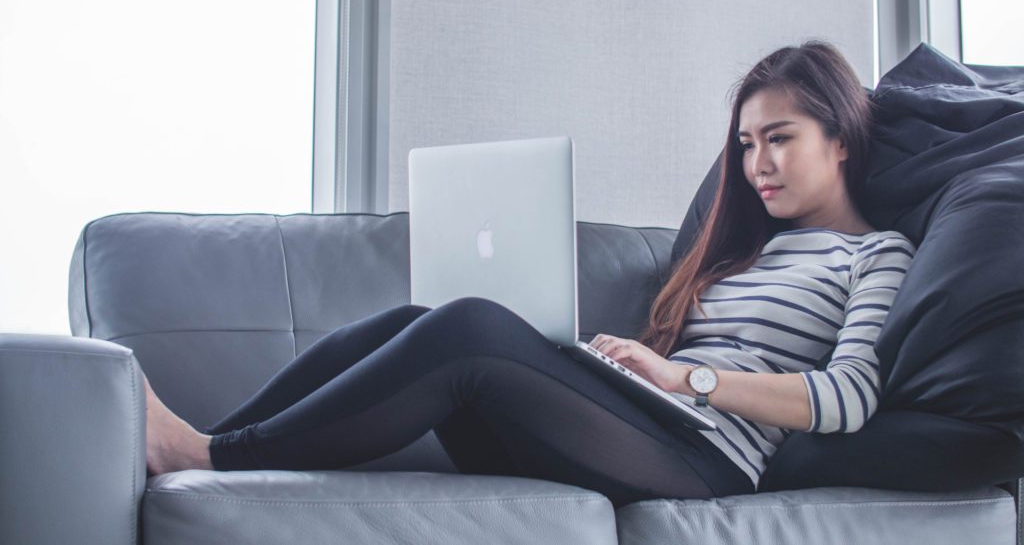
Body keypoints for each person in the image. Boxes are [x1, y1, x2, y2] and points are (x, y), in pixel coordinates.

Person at [144, 39, 917, 507]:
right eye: (745, 145)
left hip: (709, 460)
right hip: (641, 425)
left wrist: (688, 380)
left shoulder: (876, 253)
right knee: (421, 321)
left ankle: (207, 456)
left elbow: (848, 398)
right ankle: (211, 444)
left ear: (841, 137)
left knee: (470, 327)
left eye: (777, 138)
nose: (756, 165)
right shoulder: (745, 250)